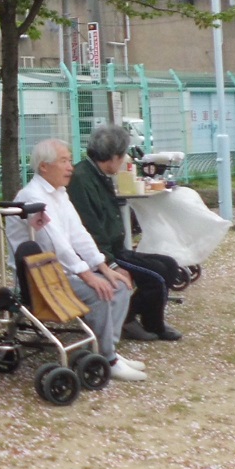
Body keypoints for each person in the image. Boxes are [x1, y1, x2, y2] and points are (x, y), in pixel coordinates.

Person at [4, 139, 146, 383]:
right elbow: (55, 243)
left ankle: (106, 352)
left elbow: (79, 234)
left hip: (61, 272)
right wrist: (88, 276)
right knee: (100, 292)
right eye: (64, 161)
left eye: (70, 160)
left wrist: (102, 267)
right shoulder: (31, 197)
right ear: (44, 166)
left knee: (120, 284)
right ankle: (108, 359)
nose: (71, 166)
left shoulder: (60, 193)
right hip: (38, 278)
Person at [68, 123, 183, 343]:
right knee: (156, 274)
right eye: (122, 156)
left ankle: (130, 315)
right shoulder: (82, 180)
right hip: (102, 253)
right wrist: (111, 264)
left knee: (169, 265)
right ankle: (148, 323)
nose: (123, 161)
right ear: (113, 157)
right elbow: (89, 229)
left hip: (114, 248)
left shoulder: (97, 174)